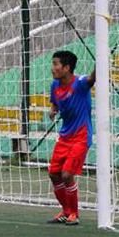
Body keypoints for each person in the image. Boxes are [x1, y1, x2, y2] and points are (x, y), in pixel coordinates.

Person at [47, 51, 95, 226]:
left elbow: (91, 79)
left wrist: (101, 61)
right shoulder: (55, 85)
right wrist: (53, 110)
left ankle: (74, 213)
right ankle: (65, 211)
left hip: (81, 136)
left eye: (55, 64)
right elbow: (55, 102)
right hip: (65, 136)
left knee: (67, 174)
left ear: (66, 68)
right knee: (53, 174)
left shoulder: (80, 84)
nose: (52, 68)